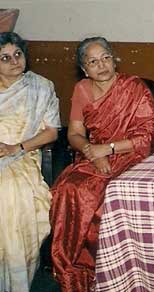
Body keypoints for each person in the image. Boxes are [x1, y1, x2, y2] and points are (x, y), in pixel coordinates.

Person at [50, 37, 154, 291]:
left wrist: (108, 148)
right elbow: (74, 134)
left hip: (132, 155)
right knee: (68, 189)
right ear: (84, 68)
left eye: (106, 58)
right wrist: (92, 152)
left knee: (107, 198)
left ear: (114, 60)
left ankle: (112, 272)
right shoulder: (82, 89)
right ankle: (76, 271)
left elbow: (148, 137)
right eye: (93, 61)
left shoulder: (134, 87)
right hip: (94, 155)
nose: (101, 65)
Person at [0, 32, 60, 292]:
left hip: (22, 155)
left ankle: (14, 282)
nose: (14, 61)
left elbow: (52, 132)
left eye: (18, 54)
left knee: (9, 191)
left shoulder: (40, 87)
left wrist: (17, 147)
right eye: (5, 57)